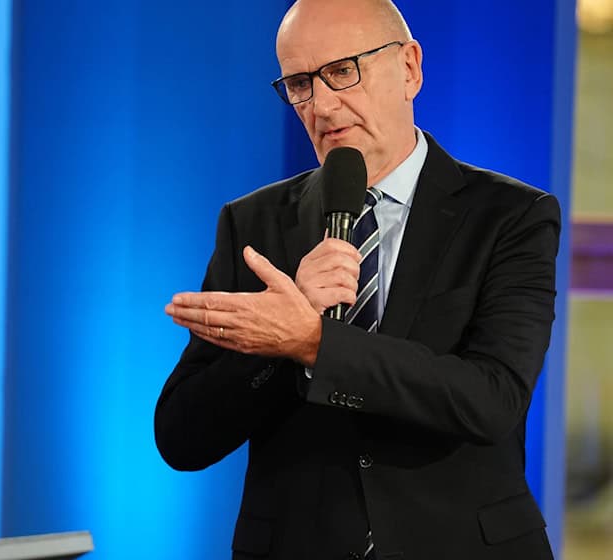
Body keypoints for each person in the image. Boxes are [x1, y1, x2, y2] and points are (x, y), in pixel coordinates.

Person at [155, 1, 559, 559]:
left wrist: (315, 344)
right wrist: (278, 342)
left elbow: (492, 399)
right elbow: (182, 437)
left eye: (343, 71)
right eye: (300, 84)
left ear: (409, 68)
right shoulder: (252, 223)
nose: (321, 105)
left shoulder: (510, 216)